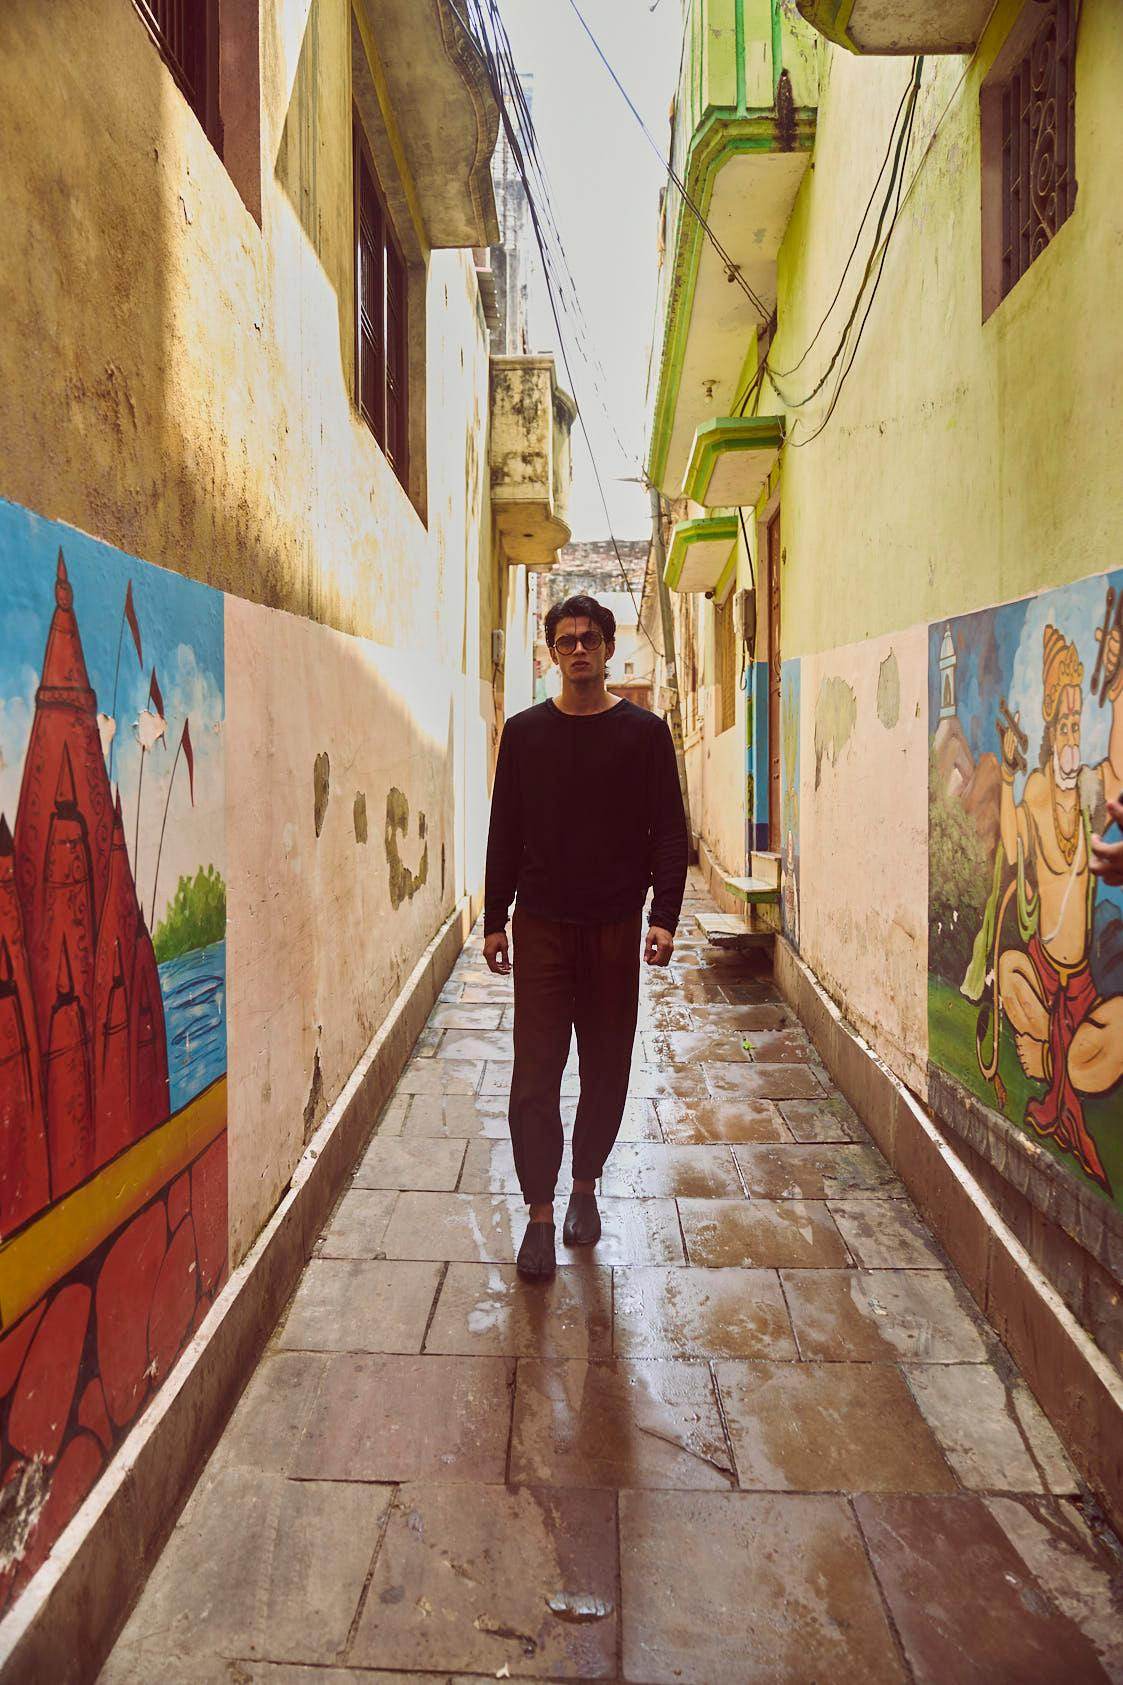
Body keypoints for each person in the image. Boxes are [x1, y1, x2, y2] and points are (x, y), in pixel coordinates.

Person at [483, 592, 688, 1279]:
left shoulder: (643, 735)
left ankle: (583, 1187)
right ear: (552, 653)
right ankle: (540, 1213)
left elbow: (668, 830)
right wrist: (493, 918)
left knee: (606, 1066)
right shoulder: (524, 734)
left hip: (613, 927)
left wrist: (663, 916)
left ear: (607, 649)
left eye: (589, 639)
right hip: (541, 925)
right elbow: (504, 830)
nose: (578, 649)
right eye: (566, 640)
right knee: (534, 1075)